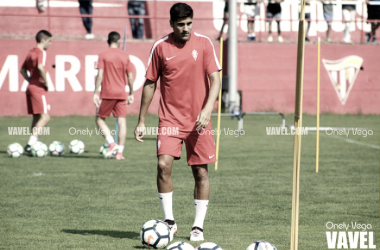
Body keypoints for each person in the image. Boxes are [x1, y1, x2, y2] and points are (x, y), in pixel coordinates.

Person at [134, 3, 221, 242]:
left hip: (199, 121)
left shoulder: (204, 43)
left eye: (189, 24)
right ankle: (169, 222)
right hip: (170, 120)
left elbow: (216, 80)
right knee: (163, 165)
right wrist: (141, 120)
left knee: (200, 171)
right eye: (181, 24)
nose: (186, 29)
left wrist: (207, 110)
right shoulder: (160, 47)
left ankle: (198, 226)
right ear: (171, 24)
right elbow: (150, 83)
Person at [93, 31, 134, 160]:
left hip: (108, 93)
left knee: (99, 120)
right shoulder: (125, 55)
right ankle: (120, 153)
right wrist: (131, 93)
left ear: (108, 41)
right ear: (119, 41)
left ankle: (111, 143)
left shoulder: (103, 54)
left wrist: (95, 92)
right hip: (122, 93)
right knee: (122, 122)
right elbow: (130, 77)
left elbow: (99, 75)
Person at [20, 30, 52, 153]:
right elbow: (40, 67)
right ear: (43, 40)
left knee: (36, 117)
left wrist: (30, 81)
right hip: (38, 88)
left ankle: (34, 143)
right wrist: (45, 81)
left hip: (30, 87)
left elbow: (22, 70)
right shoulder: (41, 53)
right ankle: (30, 143)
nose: (50, 44)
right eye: (49, 41)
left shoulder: (30, 52)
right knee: (46, 117)